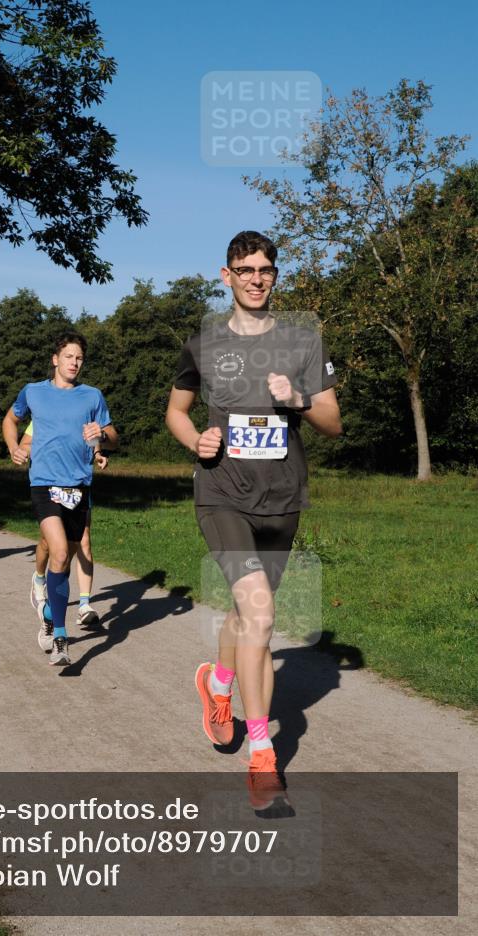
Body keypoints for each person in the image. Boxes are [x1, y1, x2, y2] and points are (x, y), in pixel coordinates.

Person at [166, 230, 342, 817]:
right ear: (226, 276)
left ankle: (218, 683)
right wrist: (198, 440)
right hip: (222, 497)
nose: (256, 278)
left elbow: (334, 422)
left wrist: (296, 398)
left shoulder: (302, 341)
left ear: (276, 275)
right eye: (245, 269)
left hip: (282, 500)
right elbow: (176, 410)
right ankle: (263, 755)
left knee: (246, 616)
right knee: (262, 617)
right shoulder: (204, 344)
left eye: (265, 269)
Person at [3, 332, 118, 666]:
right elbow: (11, 419)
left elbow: (113, 437)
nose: (74, 362)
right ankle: (61, 639)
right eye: (68, 356)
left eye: (79, 357)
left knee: (62, 563)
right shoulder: (33, 392)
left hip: (78, 487)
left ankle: (49, 615)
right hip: (43, 484)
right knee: (62, 551)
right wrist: (13, 446)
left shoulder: (92, 396)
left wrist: (103, 438)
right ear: (55, 359)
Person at [20, 420, 108, 632]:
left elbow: (93, 438)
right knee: (48, 544)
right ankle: (39, 578)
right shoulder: (43, 413)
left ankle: (84, 605)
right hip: (48, 484)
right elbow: (25, 443)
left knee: (83, 539)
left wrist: (97, 454)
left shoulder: (82, 410)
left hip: (77, 485)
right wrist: (31, 451)